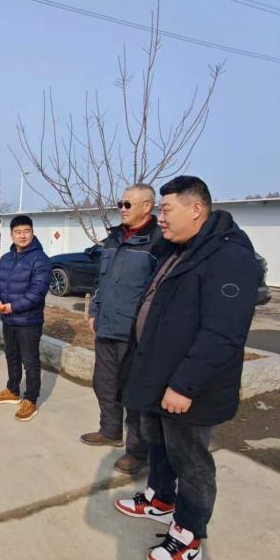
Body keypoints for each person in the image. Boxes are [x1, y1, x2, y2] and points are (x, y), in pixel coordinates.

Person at [114, 176, 261, 560]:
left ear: (196, 209)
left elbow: (222, 334)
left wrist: (183, 384)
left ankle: (189, 533)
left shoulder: (230, 258)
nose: (160, 218)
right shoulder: (179, 249)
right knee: (158, 443)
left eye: (166, 209)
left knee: (190, 459)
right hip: (158, 376)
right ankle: (161, 498)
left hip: (189, 387)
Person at [80, 184, 170, 475]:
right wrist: (94, 311)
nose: (122, 208)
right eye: (121, 203)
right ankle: (109, 431)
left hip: (134, 332)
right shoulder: (114, 237)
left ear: (147, 206)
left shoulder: (159, 242)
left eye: (128, 204)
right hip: (106, 326)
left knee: (133, 394)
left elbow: (161, 291)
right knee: (104, 384)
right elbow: (101, 280)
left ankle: (137, 451)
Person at [0, 215, 52, 421]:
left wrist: (13, 306)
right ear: (11, 235)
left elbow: (37, 292)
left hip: (28, 321)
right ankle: (12, 390)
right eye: (18, 232)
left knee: (30, 361)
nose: (22, 236)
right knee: (11, 355)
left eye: (26, 231)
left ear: (32, 233)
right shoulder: (6, 258)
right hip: (8, 318)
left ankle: (31, 399)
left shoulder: (40, 259)